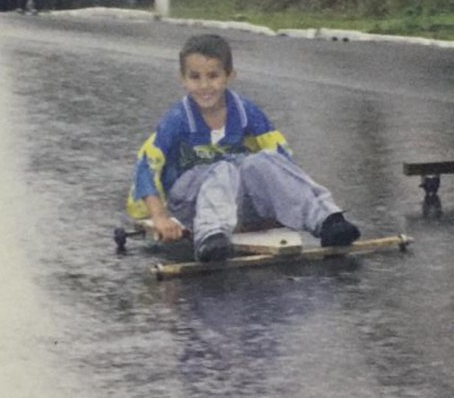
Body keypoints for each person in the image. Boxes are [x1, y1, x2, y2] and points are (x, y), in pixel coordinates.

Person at [127, 34, 362, 262]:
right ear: (183, 79)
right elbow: (147, 165)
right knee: (221, 169)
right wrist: (159, 217)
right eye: (195, 77)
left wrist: (285, 201)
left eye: (213, 76)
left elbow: (281, 158)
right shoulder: (178, 119)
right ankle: (211, 236)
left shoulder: (245, 111)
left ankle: (326, 220)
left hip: (236, 203)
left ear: (229, 76)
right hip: (192, 204)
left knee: (263, 160)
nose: (205, 86)